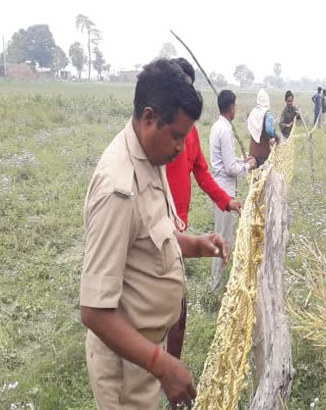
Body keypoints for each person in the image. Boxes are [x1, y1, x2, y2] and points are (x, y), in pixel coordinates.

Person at [79, 58, 230, 410]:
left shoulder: (151, 155)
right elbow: (94, 311)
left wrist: (195, 244)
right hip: (126, 367)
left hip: (145, 351)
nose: (181, 147)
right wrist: (161, 364)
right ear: (149, 118)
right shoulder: (118, 189)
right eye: (176, 135)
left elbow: (148, 237)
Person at [164, 58, 242, 362]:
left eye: (186, 86)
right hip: (155, 229)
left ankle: (172, 366)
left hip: (178, 230)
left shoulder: (191, 133)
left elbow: (202, 172)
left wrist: (227, 200)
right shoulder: (156, 133)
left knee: (177, 311)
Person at [209, 90, 257, 290]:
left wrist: (241, 161)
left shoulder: (216, 126)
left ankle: (218, 283)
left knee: (222, 235)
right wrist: (247, 167)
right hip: (224, 191)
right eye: (235, 106)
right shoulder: (226, 130)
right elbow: (229, 167)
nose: (235, 109)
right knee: (223, 238)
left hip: (219, 187)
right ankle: (215, 286)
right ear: (231, 107)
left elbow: (225, 160)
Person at [247, 89, 280, 167]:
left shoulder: (253, 112)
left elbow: (249, 127)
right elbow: (268, 129)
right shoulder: (267, 114)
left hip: (252, 152)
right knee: (264, 176)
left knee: (255, 177)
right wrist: (275, 136)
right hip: (263, 153)